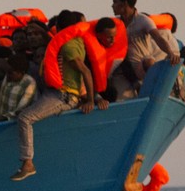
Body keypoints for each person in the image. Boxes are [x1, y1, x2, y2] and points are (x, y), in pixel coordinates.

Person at [11, 14, 113, 181]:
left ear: (61, 28)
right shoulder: (72, 41)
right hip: (55, 94)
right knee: (22, 113)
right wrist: (40, 30)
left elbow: (85, 72)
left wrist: (91, 100)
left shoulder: (69, 46)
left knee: (25, 118)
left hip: (62, 96)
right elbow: (52, 41)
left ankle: (28, 163)